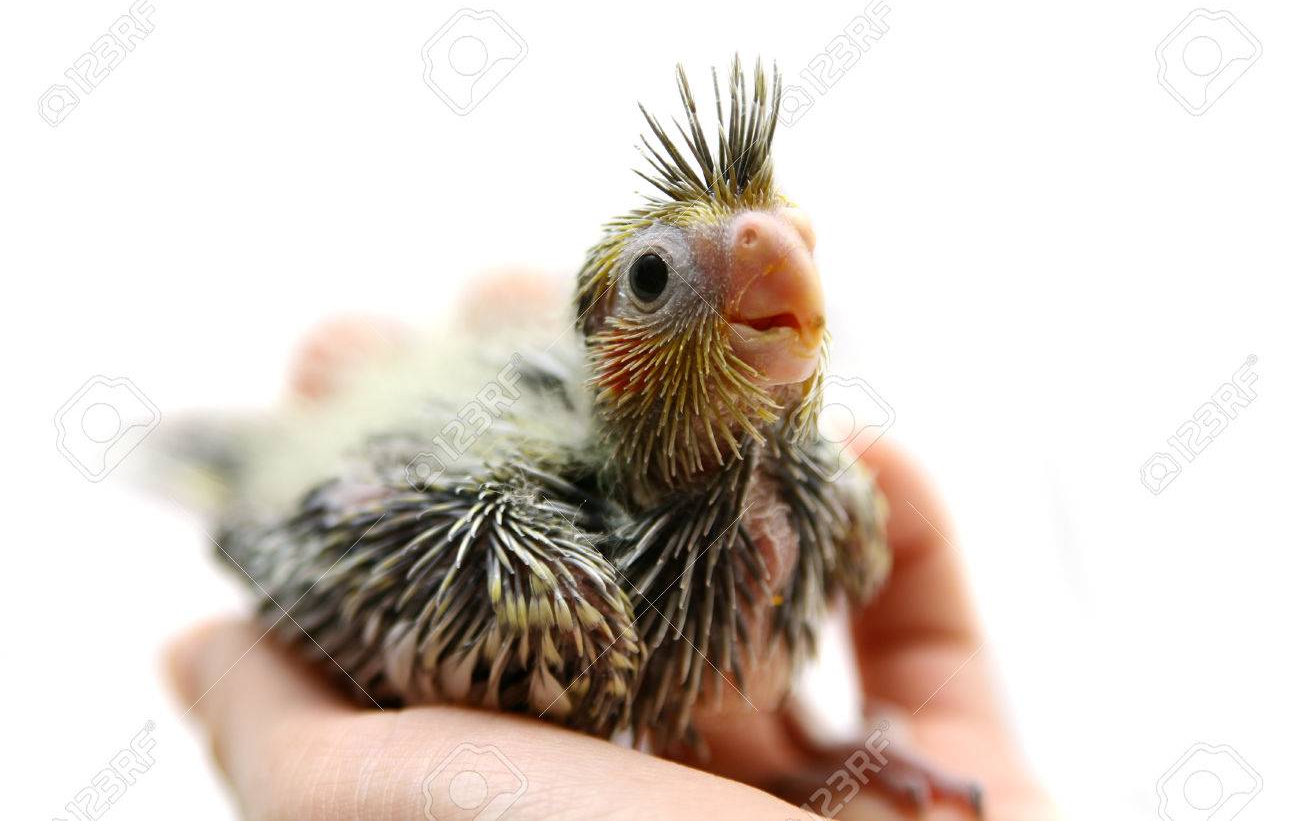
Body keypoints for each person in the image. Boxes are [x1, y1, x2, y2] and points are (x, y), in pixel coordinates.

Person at [166, 301, 1060, 820]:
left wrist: (826, 761)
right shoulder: (545, 585)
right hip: (348, 483)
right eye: (657, 279)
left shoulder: (828, 505)